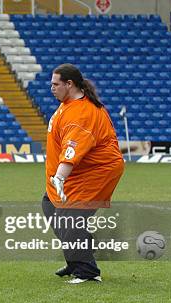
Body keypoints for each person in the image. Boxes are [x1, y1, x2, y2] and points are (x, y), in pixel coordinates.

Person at [42, 63, 124, 284]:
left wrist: (59, 177)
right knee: (49, 204)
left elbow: (72, 150)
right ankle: (77, 258)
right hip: (80, 171)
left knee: (69, 218)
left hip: (97, 171)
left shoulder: (82, 113)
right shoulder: (68, 104)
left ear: (69, 84)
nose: (51, 88)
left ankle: (87, 271)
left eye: (55, 84)